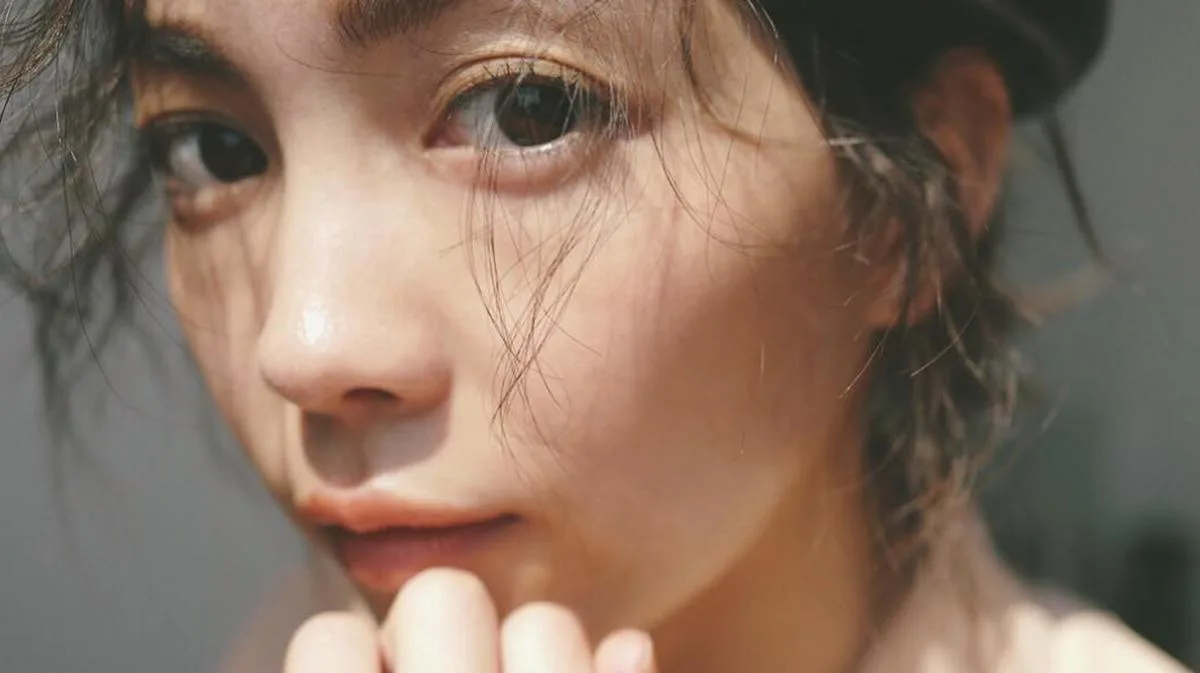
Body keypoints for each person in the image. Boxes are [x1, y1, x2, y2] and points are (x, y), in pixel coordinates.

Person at [0, 0, 1189, 671]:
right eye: (214, 148)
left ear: (910, 194)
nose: (303, 345)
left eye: (530, 110)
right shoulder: (294, 641)